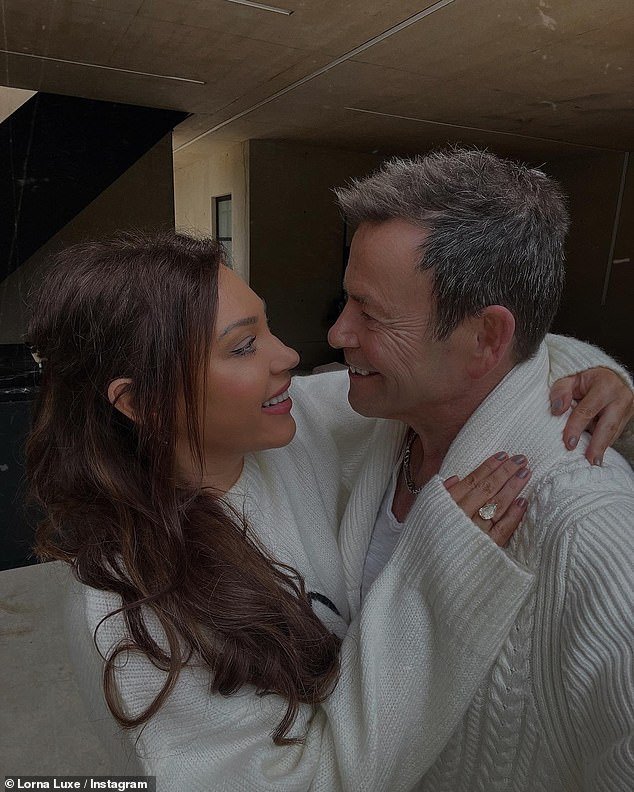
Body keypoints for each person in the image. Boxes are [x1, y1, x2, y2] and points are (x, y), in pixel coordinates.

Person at [326, 147, 634, 791]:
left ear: (487, 338)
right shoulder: (377, 424)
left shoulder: (591, 530)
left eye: (369, 313)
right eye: (346, 301)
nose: (337, 334)